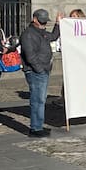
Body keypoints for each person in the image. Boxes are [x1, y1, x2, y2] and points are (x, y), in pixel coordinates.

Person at [19, 8, 61, 137]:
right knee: (38, 100)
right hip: (36, 71)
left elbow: (53, 36)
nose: (43, 24)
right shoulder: (29, 34)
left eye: (45, 22)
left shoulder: (41, 32)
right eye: (42, 22)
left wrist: (58, 24)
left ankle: (38, 126)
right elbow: (30, 56)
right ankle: (35, 128)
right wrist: (39, 69)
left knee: (40, 99)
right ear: (35, 19)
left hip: (42, 70)